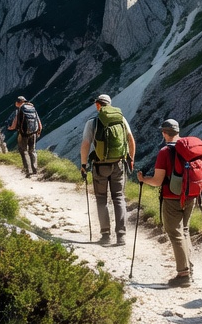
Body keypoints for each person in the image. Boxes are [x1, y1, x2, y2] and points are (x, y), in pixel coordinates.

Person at [136, 119, 195, 287]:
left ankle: (183, 274)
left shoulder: (164, 151)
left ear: (164, 133)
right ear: (177, 131)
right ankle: (190, 269)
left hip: (172, 197)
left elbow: (157, 181)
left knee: (174, 232)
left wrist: (143, 179)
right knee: (184, 231)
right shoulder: (189, 147)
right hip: (191, 194)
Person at [79, 94, 135, 245]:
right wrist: (131, 159)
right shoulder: (121, 119)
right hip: (118, 164)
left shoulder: (93, 122)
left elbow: (85, 144)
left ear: (98, 105)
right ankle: (121, 235)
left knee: (102, 199)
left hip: (100, 166)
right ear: (109, 105)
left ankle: (105, 235)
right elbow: (131, 139)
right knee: (119, 198)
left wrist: (83, 165)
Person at [6, 95, 42, 176]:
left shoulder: (20, 109)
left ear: (18, 102)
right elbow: (39, 122)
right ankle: (35, 169)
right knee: (32, 151)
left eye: (16, 102)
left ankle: (28, 170)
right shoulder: (32, 108)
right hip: (33, 133)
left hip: (23, 134)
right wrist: (38, 131)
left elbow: (14, 124)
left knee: (24, 151)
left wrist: (10, 127)